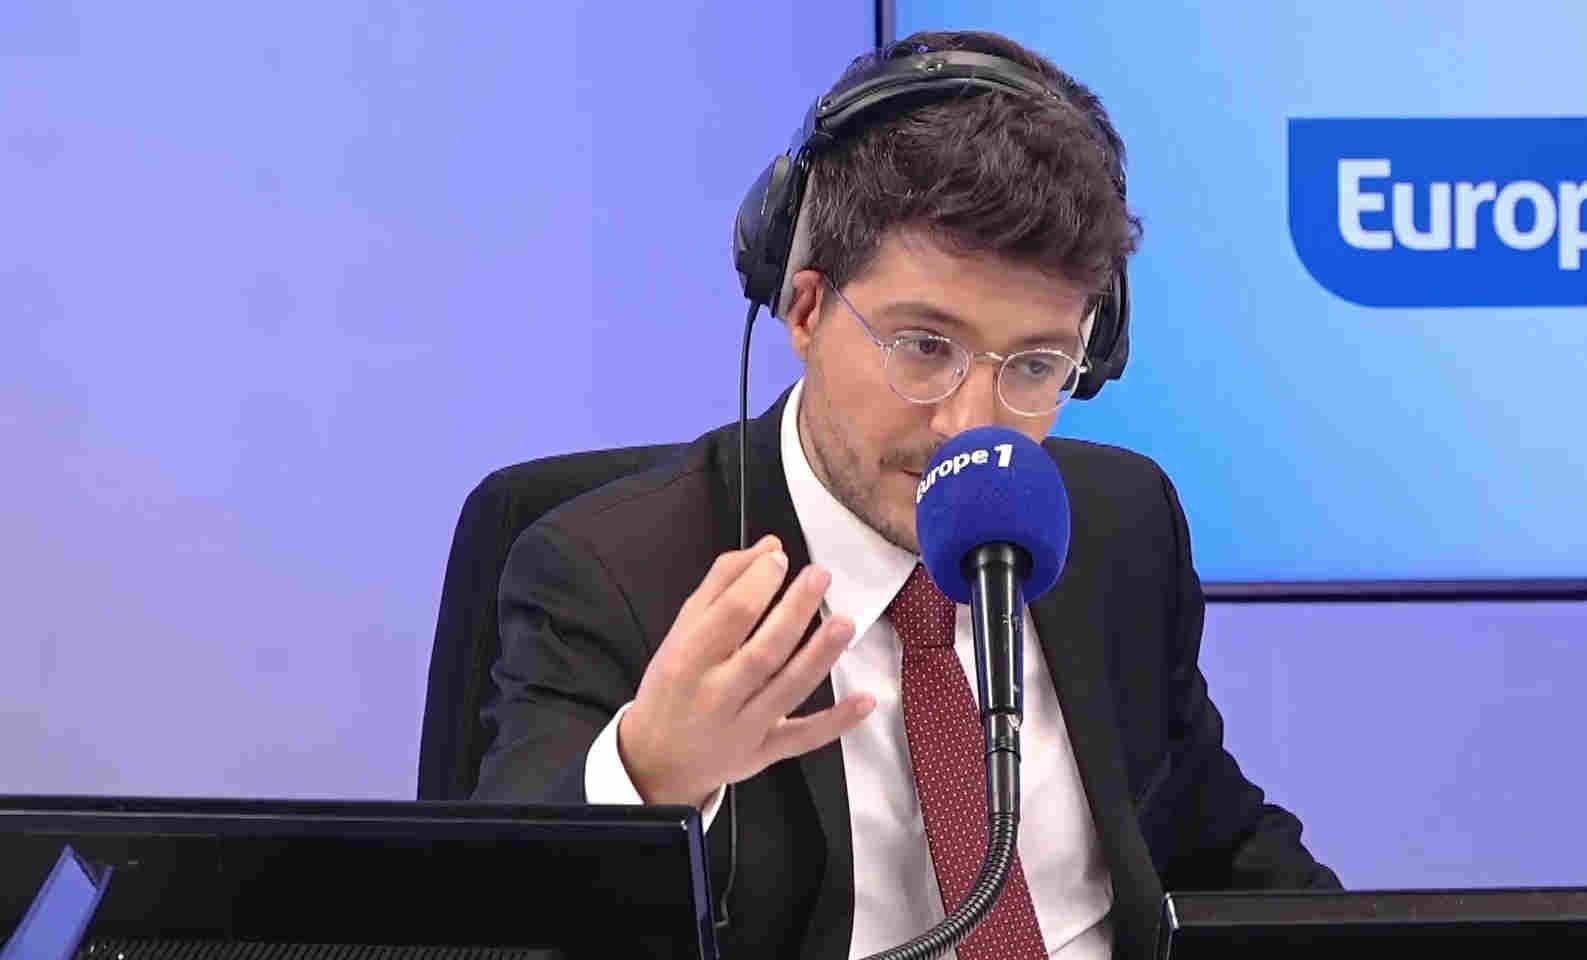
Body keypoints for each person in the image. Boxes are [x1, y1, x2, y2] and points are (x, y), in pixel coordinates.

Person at [473, 29, 1339, 960]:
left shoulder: (1119, 524)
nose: (970, 422)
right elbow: (501, 918)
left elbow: (1224, 849)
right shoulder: (615, 570)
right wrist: (651, 775)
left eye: (1035, 365)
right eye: (925, 347)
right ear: (805, 309)